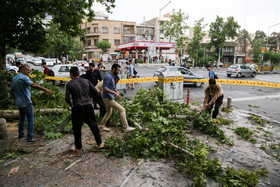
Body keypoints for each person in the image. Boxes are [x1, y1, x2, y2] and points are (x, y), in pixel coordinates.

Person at [65, 66, 104, 152]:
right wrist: (100, 104)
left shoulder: (69, 84)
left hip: (77, 107)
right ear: (78, 73)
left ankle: (78, 147)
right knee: (93, 125)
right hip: (88, 106)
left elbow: (67, 99)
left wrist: (70, 104)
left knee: (77, 128)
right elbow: (95, 92)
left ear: (71, 74)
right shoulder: (86, 81)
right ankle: (100, 143)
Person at [11, 64, 53, 142]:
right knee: (30, 119)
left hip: (19, 102)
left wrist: (15, 98)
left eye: (29, 70)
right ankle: (30, 137)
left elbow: (12, 90)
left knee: (22, 118)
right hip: (26, 102)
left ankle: (21, 134)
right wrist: (45, 89)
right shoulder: (24, 77)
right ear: (22, 70)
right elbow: (33, 85)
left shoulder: (14, 78)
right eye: (27, 70)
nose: (29, 72)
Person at [100, 64, 135, 132]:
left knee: (109, 112)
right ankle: (125, 127)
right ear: (113, 69)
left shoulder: (111, 76)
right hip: (108, 99)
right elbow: (105, 88)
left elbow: (111, 87)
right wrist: (115, 93)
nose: (119, 72)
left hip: (109, 97)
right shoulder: (108, 77)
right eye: (118, 70)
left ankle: (101, 126)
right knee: (122, 110)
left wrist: (116, 91)